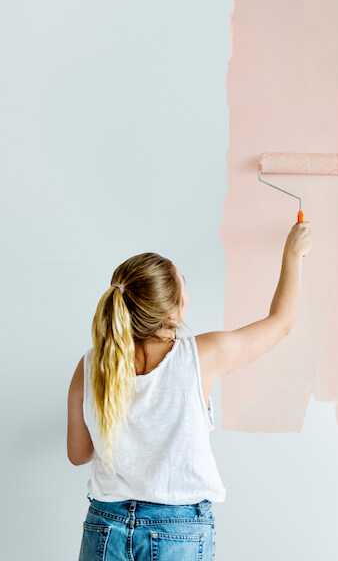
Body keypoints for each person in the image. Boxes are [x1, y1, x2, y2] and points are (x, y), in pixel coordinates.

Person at [66, 222, 312, 561]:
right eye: (185, 284)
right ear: (171, 312)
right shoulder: (200, 356)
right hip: (177, 530)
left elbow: (79, 453)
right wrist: (292, 254)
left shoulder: (90, 363)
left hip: (106, 526)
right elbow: (281, 322)